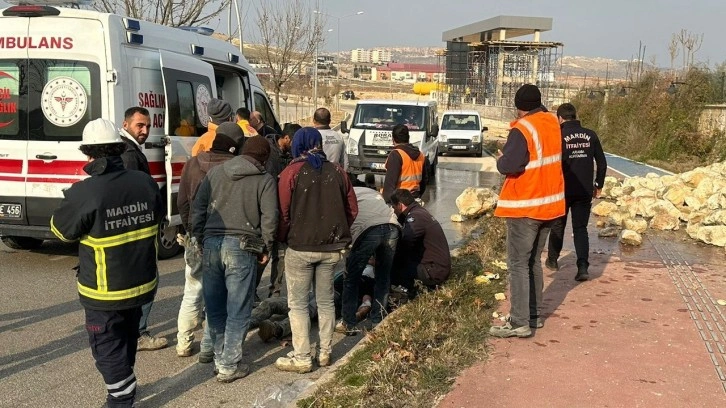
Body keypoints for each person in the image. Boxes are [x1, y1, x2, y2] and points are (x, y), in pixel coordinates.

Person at [50, 119, 163, 408]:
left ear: (88, 154)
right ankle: (123, 387)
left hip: (104, 291)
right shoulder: (145, 182)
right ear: (119, 148)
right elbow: (158, 218)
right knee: (127, 341)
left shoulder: (86, 191)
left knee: (107, 349)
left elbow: (61, 231)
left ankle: (122, 396)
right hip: (142, 283)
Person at [191, 136, 278, 383]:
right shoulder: (264, 180)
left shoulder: (215, 173)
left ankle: (220, 358)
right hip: (243, 246)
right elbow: (270, 218)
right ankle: (229, 365)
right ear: (264, 158)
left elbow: (199, 208)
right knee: (238, 308)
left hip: (211, 243)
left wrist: (198, 238)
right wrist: (266, 247)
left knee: (215, 306)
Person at [276, 127, 358, 373]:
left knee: (298, 304)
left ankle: (302, 356)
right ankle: (325, 352)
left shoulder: (290, 172)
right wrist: (337, 230)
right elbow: (352, 209)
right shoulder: (338, 172)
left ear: (297, 145)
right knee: (325, 301)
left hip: (299, 248)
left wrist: (284, 238)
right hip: (331, 249)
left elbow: (283, 213)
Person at [489, 84, 566, 339]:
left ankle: (519, 322)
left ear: (518, 106)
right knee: (533, 262)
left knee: (518, 264)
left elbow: (510, 165)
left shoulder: (522, 129)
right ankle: (533, 315)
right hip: (550, 205)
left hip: (525, 206)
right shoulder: (553, 123)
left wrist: (501, 159)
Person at [175, 123, 244, 358]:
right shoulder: (233, 168)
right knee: (219, 295)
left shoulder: (193, 163)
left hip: (196, 235)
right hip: (224, 237)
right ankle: (209, 345)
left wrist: (191, 230)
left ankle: (183, 342)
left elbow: (183, 202)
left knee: (192, 290)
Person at [120, 106, 167, 352]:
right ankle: (138, 332)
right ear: (126, 124)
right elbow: (131, 195)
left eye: (147, 126)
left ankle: (131, 329)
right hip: (136, 230)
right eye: (140, 125)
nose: (145, 130)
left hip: (132, 229)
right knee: (148, 280)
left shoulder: (128, 149)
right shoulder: (129, 155)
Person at [546, 103, 607, 282]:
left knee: (558, 224)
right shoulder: (591, 135)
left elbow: (551, 164)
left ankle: (552, 260)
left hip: (562, 189)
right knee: (580, 228)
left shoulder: (558, 135)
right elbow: (602, 163)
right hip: (584, 190)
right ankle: (582, 266)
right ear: (575, 116)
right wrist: (599, 184)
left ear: (560, 118)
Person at [336, 186, 400, 335]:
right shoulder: (371, 192)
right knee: (383, 276)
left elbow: (343, 225)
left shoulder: (344, 195)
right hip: (392, 226)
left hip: (368, 230)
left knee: (351, 278)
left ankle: (348, 323)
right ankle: (377, 319)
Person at [390, 189, 451, 297]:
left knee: (390, 265)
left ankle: (405, 293)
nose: (393, 211)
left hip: (434, 271)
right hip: (438, 268)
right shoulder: (420, 212)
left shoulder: (414, 218)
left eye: (393, 207)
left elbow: (405, 243)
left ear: (400, 205)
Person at [382, 124, 429, 203]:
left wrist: (387, 201)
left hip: (400, 202)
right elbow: (424, 181)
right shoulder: (421, 155)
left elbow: (390, 184)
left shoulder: (396, 155)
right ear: (408, 138)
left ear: (393, 139)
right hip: (415, 199)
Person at [120, 106, 151, 175]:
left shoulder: (123, 146)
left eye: (148, 127)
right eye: (140, 125)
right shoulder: (129, 153)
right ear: (125, 125)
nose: (145, 131)